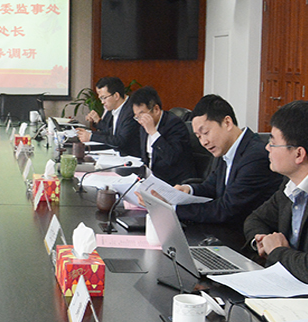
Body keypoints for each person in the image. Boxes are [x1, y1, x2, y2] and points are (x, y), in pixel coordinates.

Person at [146, 95, 282, 227]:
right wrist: (188, 190)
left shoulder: (255, 156)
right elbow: (211, 187)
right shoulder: (226, 150)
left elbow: (227, 209)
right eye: (199, 136)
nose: (203, 142)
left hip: (244, 233)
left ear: (227, 123)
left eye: (205, 132)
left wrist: (172, 209)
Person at [244, 100, 308, 283]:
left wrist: (276, 251)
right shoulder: (290, 185)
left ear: (298, 154)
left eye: (273, 142)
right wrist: (262, 241)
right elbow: (256, 219)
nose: (267, 148)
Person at [130, 86, 195, 185]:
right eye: (137, 117)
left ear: (156, 109)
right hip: (152, 180)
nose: (140, 121)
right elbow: (146, 158)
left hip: (174, 182)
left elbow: (172, 158)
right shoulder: (144, 126)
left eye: (142, 115)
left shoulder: (175, 124)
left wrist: (153, 132)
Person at [75, 76, 140, 157]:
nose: (102, 102)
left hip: (129, 157)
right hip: (116, 153)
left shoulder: (132, 110)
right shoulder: (113, 108)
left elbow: (121, 141)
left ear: (116, 96)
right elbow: (108, 132)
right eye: (100, 98)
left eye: (104, 98)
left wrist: (91, 136)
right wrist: (88, 133)